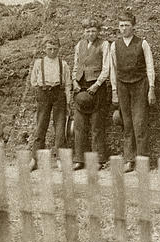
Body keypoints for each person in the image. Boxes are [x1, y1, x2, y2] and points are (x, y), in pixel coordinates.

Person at [109, 9, 155, 173]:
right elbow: (113, 69)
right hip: (122, 87)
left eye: (127, 25)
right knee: (127, 125)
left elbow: (150, 67)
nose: (124, 29)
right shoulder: (114, 46)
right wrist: (114, 89)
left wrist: (151, 89)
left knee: (139, 123)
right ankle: (129, 160)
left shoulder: (142, 44)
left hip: (140, 86)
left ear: (133, 27)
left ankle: (142, 160)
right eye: (121, 26)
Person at [71, 18, 110, 170]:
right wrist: (74, 80)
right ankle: (79, 159)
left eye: (93, 30)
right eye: (87, 30)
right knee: (79, 126)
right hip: (81, 87)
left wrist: (97, 84)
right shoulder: (79, 45)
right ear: (84, 31)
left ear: (98, 31)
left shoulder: (104, 44)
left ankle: (98, 159)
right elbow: (76, 65)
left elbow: (106, 68)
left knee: (97, 125)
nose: (90, 33)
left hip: (97, 88)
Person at [29, 35, 72, 170]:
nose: (52, 51)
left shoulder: (63, 64)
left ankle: (60, 159)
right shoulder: (38, 63)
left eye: (55, 49)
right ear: (44, 49)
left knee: (60, 127)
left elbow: (68, 83)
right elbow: (33, 81)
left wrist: (68, 100)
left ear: (59, 49)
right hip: (43, 93)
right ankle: (35, 159)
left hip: (59, 94)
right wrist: (41, 89)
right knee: (41, 125)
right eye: (49, 49)